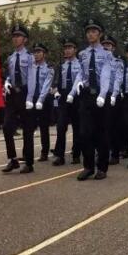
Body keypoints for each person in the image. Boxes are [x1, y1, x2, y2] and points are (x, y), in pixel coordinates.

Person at [72, 18, 113, 181]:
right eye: (88, 31)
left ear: (100, 34)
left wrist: (102, 95)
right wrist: (77, 85)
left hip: (101, 95)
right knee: (84, 132)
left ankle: (102, 167)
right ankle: (88, 166)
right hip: (86, 95)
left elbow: (106, 75)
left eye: (94, 31)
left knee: (100, 132)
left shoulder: (107, 54)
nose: (90, 34)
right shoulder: (82, 54)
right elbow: (81, 74)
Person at [1, 24, 33, 173]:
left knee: (27, 128)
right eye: (14, 36)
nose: (15, 39)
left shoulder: (31, 57)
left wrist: (32, 97)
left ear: (24, 39)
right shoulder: (11, 58)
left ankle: (29, 161)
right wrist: (7, 82)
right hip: (13, 94)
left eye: (18, 36)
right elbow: (9, 74)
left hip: (26, 93)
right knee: (7, 126)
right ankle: (13, 159)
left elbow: (32, 78)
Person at [51, 38, 82, 166]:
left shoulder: (80, 65)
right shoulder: (61, 66)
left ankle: (76, 154)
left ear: (75, 50)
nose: (67, 50)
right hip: (63, 97)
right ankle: (60, 155)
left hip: (76, 97)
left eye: (70, 48)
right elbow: (55, 82)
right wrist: (55, 90)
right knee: (61, 126)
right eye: (66, 48)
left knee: (77, 126)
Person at [24, 42, 54, 170]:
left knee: (43, 127)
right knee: (28, 127)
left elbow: (46, 86)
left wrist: (40, 100)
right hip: (32, 99)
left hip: (43, 100)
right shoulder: (31, 67)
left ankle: (44, 151)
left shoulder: (49, 69)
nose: (36, 54)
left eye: (39, 52)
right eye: (35, 52)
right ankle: (27, 154)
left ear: (44, 54)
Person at [101, 34, 123, 165]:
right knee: (101, 126)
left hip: (112, 97)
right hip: (100, 97)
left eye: (108, 45)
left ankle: (114, 153)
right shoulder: (98, 62)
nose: (105, 47)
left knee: (113, 126)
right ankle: (103, 151)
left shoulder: (117, 63)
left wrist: (114, 95)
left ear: (113, 48)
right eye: (103, 45)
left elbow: (118, 80)